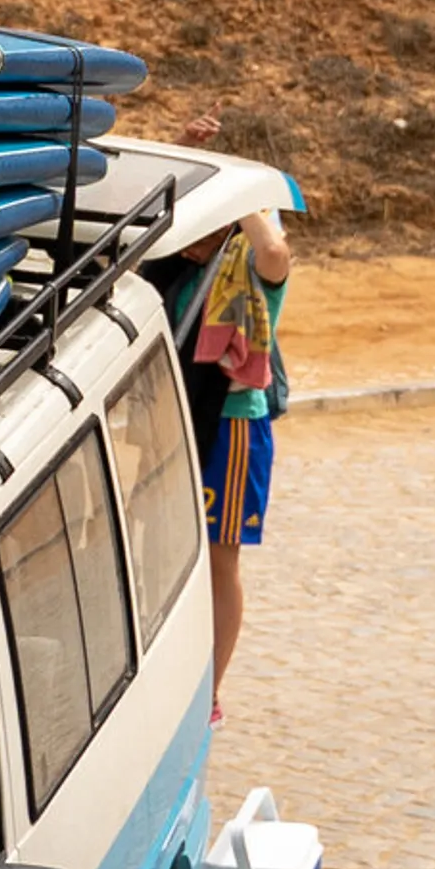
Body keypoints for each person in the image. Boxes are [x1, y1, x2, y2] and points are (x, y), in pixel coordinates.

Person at [171, 186, 296, 716]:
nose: (189, 238)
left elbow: (276, 254)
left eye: (205, 225)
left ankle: (210, 692)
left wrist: (240, 193)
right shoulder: (174, 273)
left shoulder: (246, 273)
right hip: (179, 425)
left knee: (220, 559)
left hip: (232, 427)